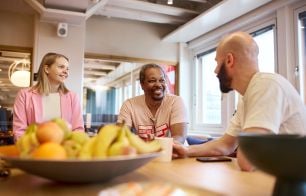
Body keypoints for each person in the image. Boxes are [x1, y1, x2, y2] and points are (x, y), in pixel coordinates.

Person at [173, 31, 306, 171]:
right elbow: (225, 145)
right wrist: (185, 150)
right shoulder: (246, 96)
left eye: (217, 62)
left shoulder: (266, 86)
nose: (215, 70)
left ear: (229, 60)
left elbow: (249, 161)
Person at [13, 52, 84, 140]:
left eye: (67, 68)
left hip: (63, 151)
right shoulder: (24, 95)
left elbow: (78, 130)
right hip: (34, 151)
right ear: (47, 69)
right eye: (61, 67)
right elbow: (19, 131)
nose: (66, 71)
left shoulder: (73, 97)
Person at [117, 63, 188, 144]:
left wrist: (154, 147)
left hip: (177, 154)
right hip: (146, 154)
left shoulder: (175, 101)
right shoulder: (129, 105)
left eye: (162, 80)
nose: (158, 84)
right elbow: (120, 136)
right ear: (142, 85)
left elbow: (179, 137)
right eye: (152, 81)